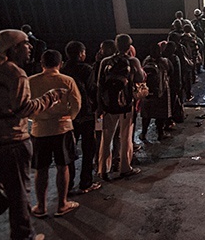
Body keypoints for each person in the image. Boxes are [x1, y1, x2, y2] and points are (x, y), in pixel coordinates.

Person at [0, 29, 65, 240]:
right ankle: (23, 236)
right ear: (14, 48)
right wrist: (51, 97)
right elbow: (24, 109)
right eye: (25, 43)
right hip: (11, 143)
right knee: (18, 196)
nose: (30, 47)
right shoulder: (15, 73)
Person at [29, 50, 81, 218]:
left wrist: (35, 119)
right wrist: (69, 118)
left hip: (39, 130)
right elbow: (76, 104)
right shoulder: (66, 81)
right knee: (62, 166)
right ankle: (61, 204)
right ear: (60, 64)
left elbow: (25, 106)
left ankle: (41, 206)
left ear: (41, 64)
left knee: (41, 169)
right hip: (62, 129)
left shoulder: (31, 81)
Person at [97, 34, 144, 181]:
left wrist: (100, 105)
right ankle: (125, 168)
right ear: (129, 46)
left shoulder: (105, 62)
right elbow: (140, 78)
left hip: (108, 105)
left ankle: (103, 169)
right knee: (125, 137)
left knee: (106, 137)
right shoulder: (132, 61)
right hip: (126, 105)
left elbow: (99, 84)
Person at [61, 41, 102, 195]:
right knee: (88, 148)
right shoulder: (86, 69)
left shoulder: (63, 70)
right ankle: (86, 182)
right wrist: (96, 108)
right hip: (85, 115)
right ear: (80, 53)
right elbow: (92, 90)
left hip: (68, 116)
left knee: (70, 150)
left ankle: (68, 183)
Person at [140, 44, 172, 142]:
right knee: (160, 114)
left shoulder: (145, 61)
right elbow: (171, 72)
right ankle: (160, 134)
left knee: (146, 114)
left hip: (147, 93)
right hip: (161, 91)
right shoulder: (165, 61)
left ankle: (143, 133)